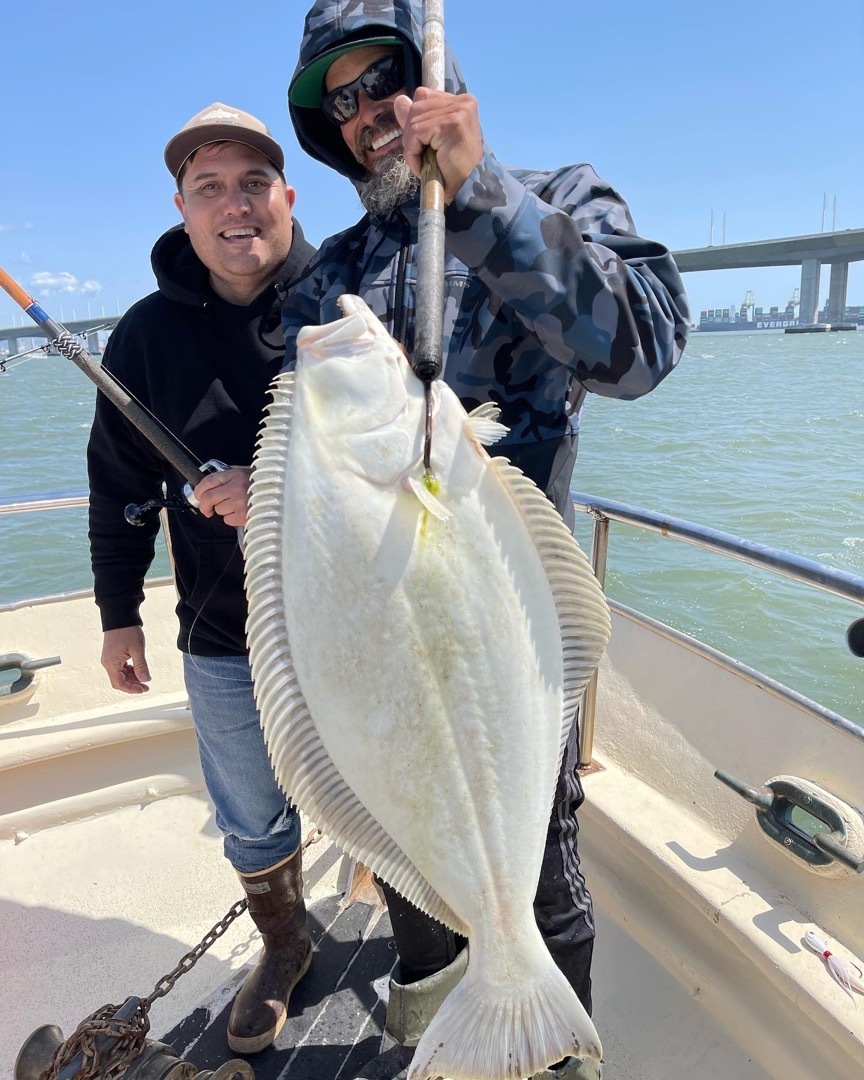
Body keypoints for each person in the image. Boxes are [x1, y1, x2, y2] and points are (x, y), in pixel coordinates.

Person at [283, 3, 691, 1079]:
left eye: (386, 80)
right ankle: (444, 1056)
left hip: (501, 629)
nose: (368, 114)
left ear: (438, 73)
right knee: (415, 885)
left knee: (539, 877)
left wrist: (475, 195)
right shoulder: (331, 272)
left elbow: (644, 346)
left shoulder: (555, 198)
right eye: (342, 102)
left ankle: (556, 1053)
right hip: (382, 636)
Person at [86, 103, 316, 1056]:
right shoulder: (143, 336)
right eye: (209, 188)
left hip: (352, 618)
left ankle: (423, 940)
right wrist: (118, 615)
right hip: (223, 629)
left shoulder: (341, 303)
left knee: (383, 787)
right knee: (252, 815)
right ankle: (287, 941)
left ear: (289, 197)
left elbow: (410, 447)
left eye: (254, 183)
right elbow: (120, 485)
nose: (235, 206)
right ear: (180, 209)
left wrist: (269, 484)